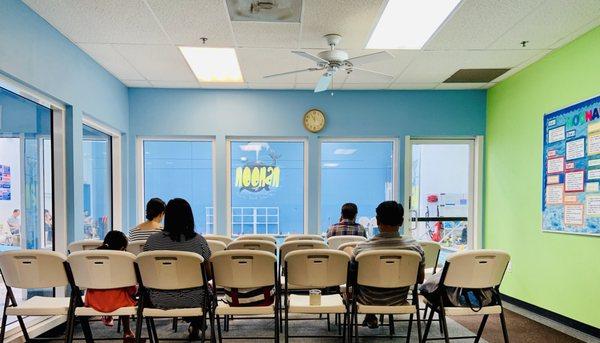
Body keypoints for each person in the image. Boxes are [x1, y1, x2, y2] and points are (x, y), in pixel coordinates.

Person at [143, 198, 211, 340]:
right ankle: (197, 324)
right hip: (194, 299)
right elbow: (209, 274)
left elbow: (144, 273)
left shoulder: (152, 241)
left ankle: (196, 323)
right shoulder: (199, 241)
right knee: (205, 291)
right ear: (189, 216)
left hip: (158, 298)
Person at [353, 201, 425, 329]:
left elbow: (352, 279)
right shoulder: (415, 248)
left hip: (367, 300)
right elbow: (419, 279)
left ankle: (370, 314)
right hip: (398, 300)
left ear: (377, 221)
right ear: (402, 222)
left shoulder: (361, 248)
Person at [84, 231, 137, 342]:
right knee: (124, 293)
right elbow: (131, 288)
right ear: (122, 248)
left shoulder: (90, 258)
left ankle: (107, 315)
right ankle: (127, 331)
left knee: (115, 291)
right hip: (118, 302)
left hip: (93, 301)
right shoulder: (124, 260)